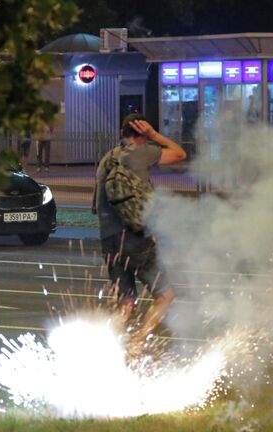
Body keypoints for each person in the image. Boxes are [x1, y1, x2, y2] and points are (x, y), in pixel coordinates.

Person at [93, 113, 186, 350]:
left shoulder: (106, 160)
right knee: (165, 295)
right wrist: (154, 135)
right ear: (141, 132)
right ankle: (138, 342)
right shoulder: (141, 152)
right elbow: (179, 153)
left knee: (125, 302)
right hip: (134, 239)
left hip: (109, 240)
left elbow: (97, 205)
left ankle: (108, 348)